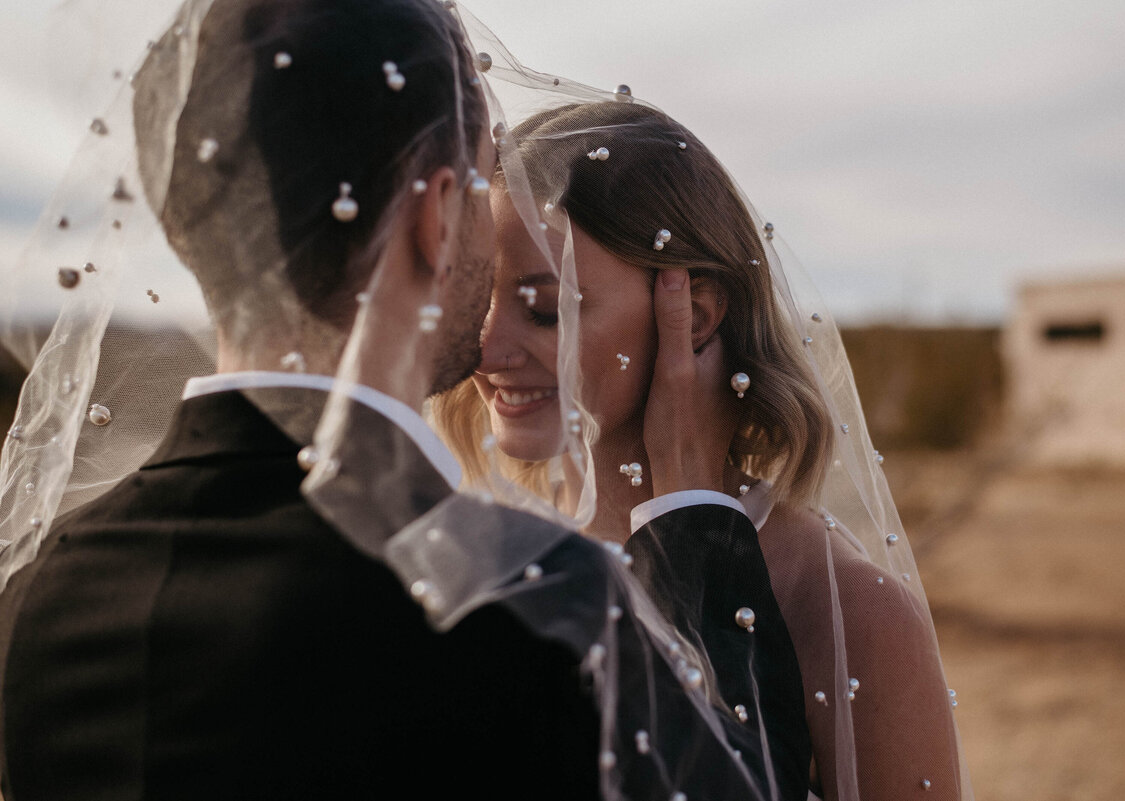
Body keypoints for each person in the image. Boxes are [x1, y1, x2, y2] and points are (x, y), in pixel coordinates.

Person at [0, 1, 778, 799]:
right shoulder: (521, 602)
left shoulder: (43, 594)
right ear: (437, 215)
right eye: (479, 191)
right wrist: (694, 525)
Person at [434, 98, 972, 800]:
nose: (488, 347)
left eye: (546, 308)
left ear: (693, 314)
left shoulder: (845, 608)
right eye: (476, 300)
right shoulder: (483, 559)